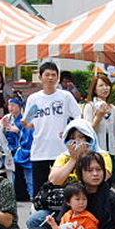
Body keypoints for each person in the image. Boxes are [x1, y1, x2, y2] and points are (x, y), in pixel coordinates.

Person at [26, 119, 113, 229]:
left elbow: (102, 178)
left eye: (81, 137)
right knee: (35, 220)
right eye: (72, 139)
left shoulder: (101, 156)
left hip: (87, 208)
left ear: (89, 138)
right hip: (62, 207)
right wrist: (73, 159)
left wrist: (84, 160)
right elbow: (55, 180)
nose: (77, 143)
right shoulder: (64, 157)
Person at [23, 62, 82, 197]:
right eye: (47, 75)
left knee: (63, 190)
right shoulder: (34, 98)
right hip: (40, 150)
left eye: (53, 75)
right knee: (40, 192)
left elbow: (78, 117)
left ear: (58, 77)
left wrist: (70, 131)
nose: (50, 78)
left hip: (61, 150)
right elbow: (27, 122)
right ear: (40, 77)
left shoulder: (65, 96)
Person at [83, 74, 115, 172]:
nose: (105, 88)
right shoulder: (90, 106)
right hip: (95, 153)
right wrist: (98, 117)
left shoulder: (113, 109)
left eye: (107, 85)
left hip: (111, 153)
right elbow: (87, 132)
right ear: (95, 90)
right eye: (101, 85)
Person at [1, 97, 34, 201]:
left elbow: (26, 137)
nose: (10, 108)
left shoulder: (24, 120)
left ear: (20, 107)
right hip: (9, 149)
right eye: (9, 105)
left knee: (28, 176)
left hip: (21, 150)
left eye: (13, 105)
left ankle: (30, 195)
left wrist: (17, 131)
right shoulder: (7, 118)